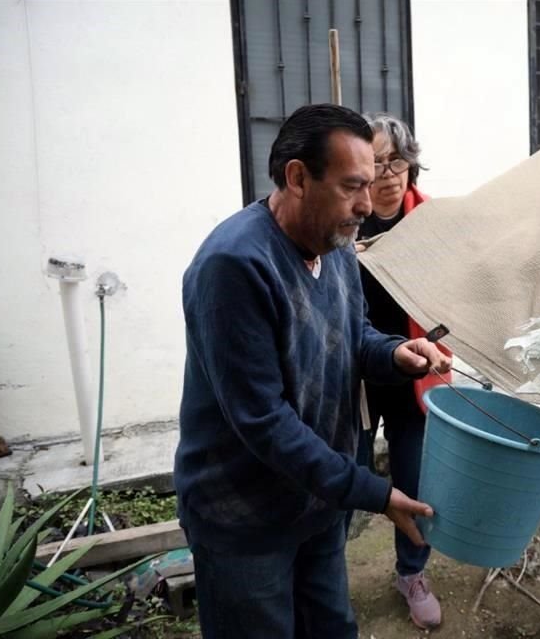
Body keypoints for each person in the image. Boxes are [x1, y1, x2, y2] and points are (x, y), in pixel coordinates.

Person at [175, 103, 451, 639]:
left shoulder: (338, 243)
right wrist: (372, 490)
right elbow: (262, 420)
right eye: (352, 186)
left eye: (371, 185)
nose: (367, 205)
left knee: (331, 627)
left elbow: (354, 335)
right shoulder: (234, 265)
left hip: (317, 504)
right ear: (298, 177)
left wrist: (395, 353)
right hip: (244, 521)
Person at [353, 112, 450, 630]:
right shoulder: (345, 221)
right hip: (357, 380)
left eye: (398, 161)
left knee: (415, 481)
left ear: (412, 165)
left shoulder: (433, 222)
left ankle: (411, 574)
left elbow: (456, 299)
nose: (389, 174)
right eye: (377, 162)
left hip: (417, 376)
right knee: (344, 476)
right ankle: (321, 575)